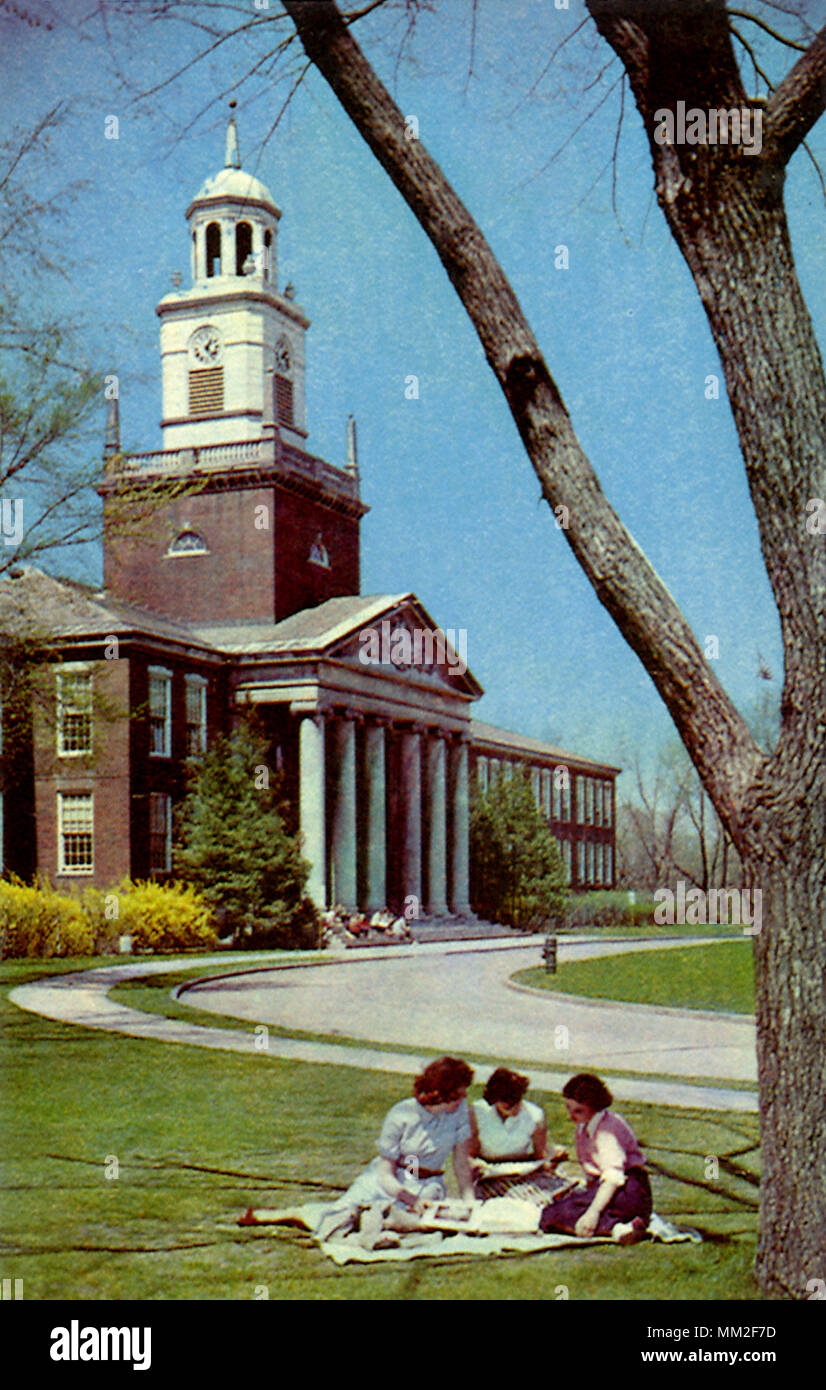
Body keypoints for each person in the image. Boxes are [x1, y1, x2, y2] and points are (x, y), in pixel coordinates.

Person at [316, 1056, 476, 1244]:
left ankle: (379, 1227)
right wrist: (410, 1199)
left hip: (427, 1183)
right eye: (459, 1093)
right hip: (392, 1181)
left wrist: (471, 1205)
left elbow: (461, 1164)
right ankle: (372, 1227)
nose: (464, 1097)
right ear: (439, 1093)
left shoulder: (459, 1111)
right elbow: (385, 1174)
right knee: (341, 1215)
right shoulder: (402, 1113)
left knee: (426, 1221)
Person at [539, 1073, 652, 1244]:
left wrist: (593, 1212)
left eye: (578, 1111)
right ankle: (622, 1227)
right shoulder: (585, 1125)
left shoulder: (607, 1130)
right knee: (553, 1211)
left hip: (629, 1189)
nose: (571, 1116)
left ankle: (616, 1227)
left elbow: (613, 1177)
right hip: (613, 1188)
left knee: (555, 1215)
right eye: (568, 1108)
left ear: (594, 1107)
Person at [469, 1067, 567, 1198]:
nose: (507, 1105)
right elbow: (469, 1155)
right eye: (502, 1099)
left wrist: (555, 1159)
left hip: (524, 1172)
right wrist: (474, 1165)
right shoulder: (478, 1111)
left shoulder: (535, 1115)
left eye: (513, 1100)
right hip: (490, 1176)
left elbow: (541, 1158)